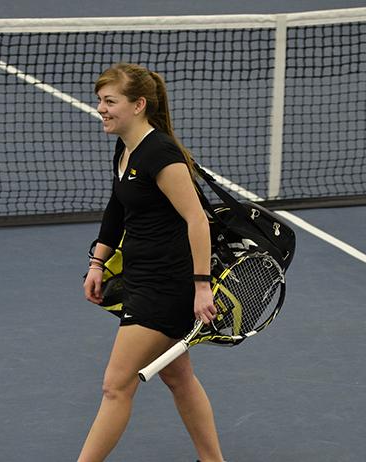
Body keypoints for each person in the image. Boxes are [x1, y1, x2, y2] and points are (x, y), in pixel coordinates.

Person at [79, 62, 225, 462]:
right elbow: (117, 206)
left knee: (116, 386)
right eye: (100, 101)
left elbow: (197, 219)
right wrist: (98, 262)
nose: (101, 109)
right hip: (141, 278)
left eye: (110, 101)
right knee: (179, 376)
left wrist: (200, 286)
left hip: (168, 287)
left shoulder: (161, 154)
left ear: (138, 104)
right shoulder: (126, 147)